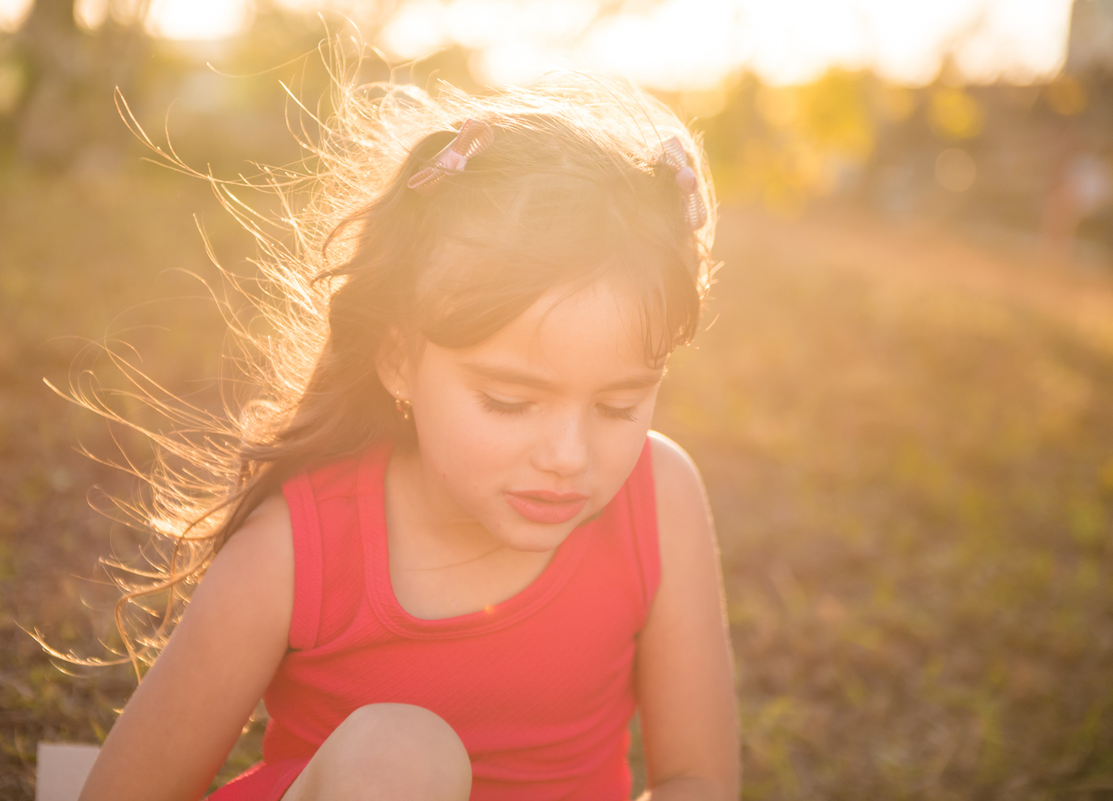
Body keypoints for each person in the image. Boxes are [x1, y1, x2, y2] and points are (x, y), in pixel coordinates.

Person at [76, 74, 739, 801]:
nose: (569, 455)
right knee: (400, 751)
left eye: (618, 405)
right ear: (398, 359)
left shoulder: (658, 496)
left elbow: (696, 777)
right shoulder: (301, 548)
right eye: (509, 401)